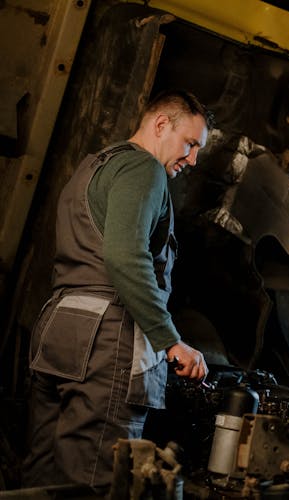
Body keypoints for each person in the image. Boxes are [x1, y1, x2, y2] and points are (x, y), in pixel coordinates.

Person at [23, 89, 213, 493]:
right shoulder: (145, 169)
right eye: (191, 143)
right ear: (161, 124)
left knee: (42, 482)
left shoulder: (94, 165)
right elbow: (126, 258)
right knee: (94, 481)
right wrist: (170, 341)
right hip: (106, 339)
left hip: (59, 327)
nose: (192, 159)